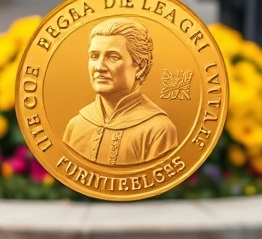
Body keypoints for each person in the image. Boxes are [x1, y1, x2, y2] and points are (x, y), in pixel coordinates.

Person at [63, 18, 178, 165]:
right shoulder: (76, 125)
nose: (99, 66)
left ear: (140, 66)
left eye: (113, 57)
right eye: (94, 56)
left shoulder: (158, 129)